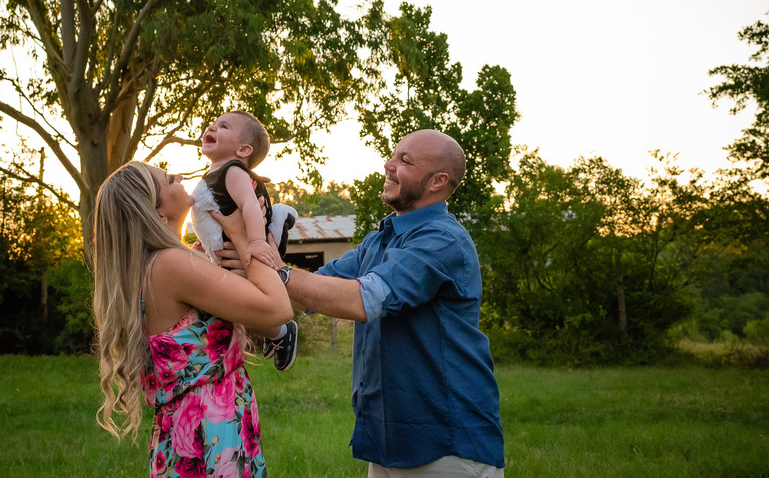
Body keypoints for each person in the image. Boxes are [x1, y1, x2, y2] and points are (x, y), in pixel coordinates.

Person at [222, 129, 506, 477]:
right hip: (389, 442)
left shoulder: (443, 240)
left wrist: (276, 272)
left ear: (438, 181)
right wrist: (252, 265)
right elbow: (312, 288)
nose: (388, 165)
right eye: (393, 154)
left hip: (446, 444)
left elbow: (363, 299)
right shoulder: (380, 240)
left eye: (405, 161)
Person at [92, 160, 293, 478]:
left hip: (200, 424)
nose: (181, 177)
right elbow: (278, 309)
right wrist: (243, 237)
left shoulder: (168, 262)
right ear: (157, 213)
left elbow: (265, 322)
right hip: (207, 434)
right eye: (169, 180)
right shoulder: (174, 265)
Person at [188, 111, 300, 371]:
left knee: (244, 307)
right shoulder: (216, 173)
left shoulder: (233, 172)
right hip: (229, 249)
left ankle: (281, 332)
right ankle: (277, 332)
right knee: (233, 307)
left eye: (223, 126)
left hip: (246, 248)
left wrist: (258, 241)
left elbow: (249, 205)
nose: (212, 127)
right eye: (213, 123)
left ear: (243, 149)